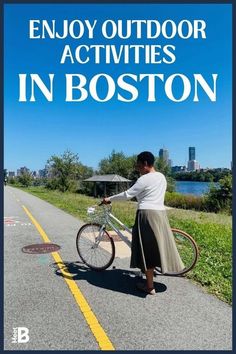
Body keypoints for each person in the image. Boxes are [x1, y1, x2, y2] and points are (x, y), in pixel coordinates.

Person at [103, 151, 185, 295]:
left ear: (145, 164)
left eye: (138, 165)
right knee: (157, 246)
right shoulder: (162, 177)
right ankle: (153, 274)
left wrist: (109, 198)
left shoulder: (144, 179)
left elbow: (127, 195)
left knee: (146, 250)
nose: (137, 168)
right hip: (160, 214)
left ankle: (149, 287)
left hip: (146, 215)